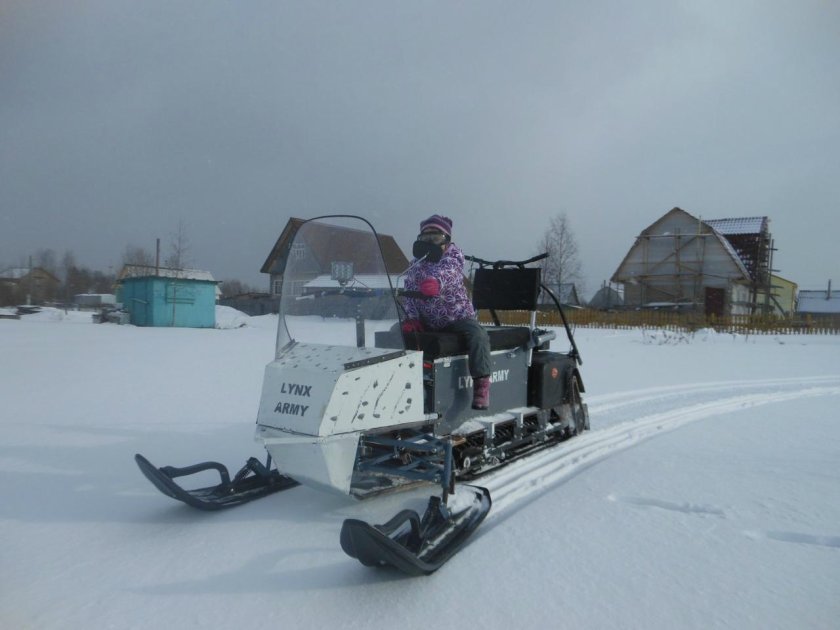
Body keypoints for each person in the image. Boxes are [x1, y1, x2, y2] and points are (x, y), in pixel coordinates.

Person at [401, 214, 492, 410]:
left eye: (435, 238)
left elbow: (450, 273)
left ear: (446, 241)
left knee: (478, 335)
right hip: (428, 320)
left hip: (457, 317)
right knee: (396, 332)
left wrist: (436, 282)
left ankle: (481, 384)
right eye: (425, 238)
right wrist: (411, 318)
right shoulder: (416, 264)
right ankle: (397, 379)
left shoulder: (453, 256)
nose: (430, 243)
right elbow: (409, 291)